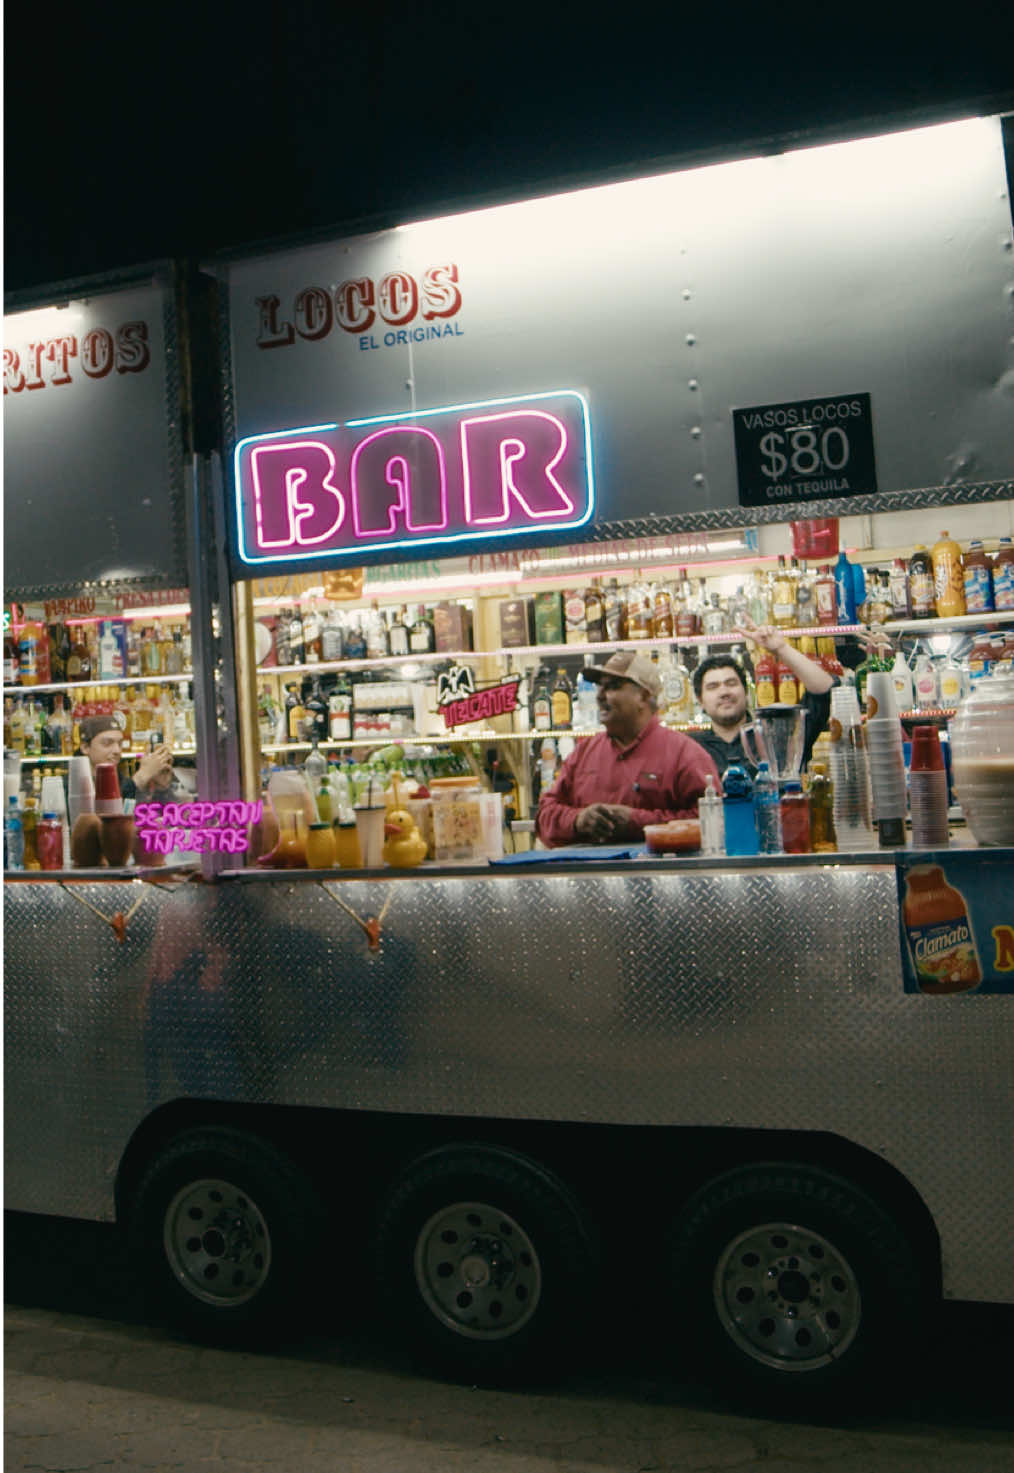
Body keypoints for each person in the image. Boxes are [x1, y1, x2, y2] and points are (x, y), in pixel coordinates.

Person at [536, 650, 719, 847]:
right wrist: (578, 820)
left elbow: (713, 823)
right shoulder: (583, 752)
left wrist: (636, 822)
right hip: (589, 875)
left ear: (643, 696)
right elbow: (544, 816)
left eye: (612, 687)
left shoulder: (685, 754)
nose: (599, 696)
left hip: (660, 874)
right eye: (600, 687)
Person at [689, 615, 836, 778]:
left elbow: (823, 691)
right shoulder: (690, 748)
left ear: (746, 692)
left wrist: (780, 648)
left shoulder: (779, 734)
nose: (724, 692)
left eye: (731, 683)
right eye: (713, 687)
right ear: (700, 700)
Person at [78, 714, 181, 802]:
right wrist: (141, 776)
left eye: (120, 743)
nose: (117, 750)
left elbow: (153, 817)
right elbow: (102, 815)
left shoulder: (122, 781)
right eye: (107, 743)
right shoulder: (72, 785)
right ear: (85, 748)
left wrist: (162, 788)